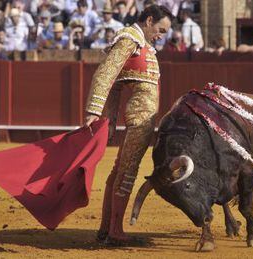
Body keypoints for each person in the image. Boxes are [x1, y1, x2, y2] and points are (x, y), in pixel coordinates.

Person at [84, 4, 172, 244]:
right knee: (127, 170)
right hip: (140, 119)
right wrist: (95, 110)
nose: (161, 36)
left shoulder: (139, 43)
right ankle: (115, 230)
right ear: (149, 20)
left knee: (120, 169)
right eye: (161, 30)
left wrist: (110, 119)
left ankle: (106, 228)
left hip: (139, 117)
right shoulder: (129, 39)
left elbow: (115, 85)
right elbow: (105, 75)